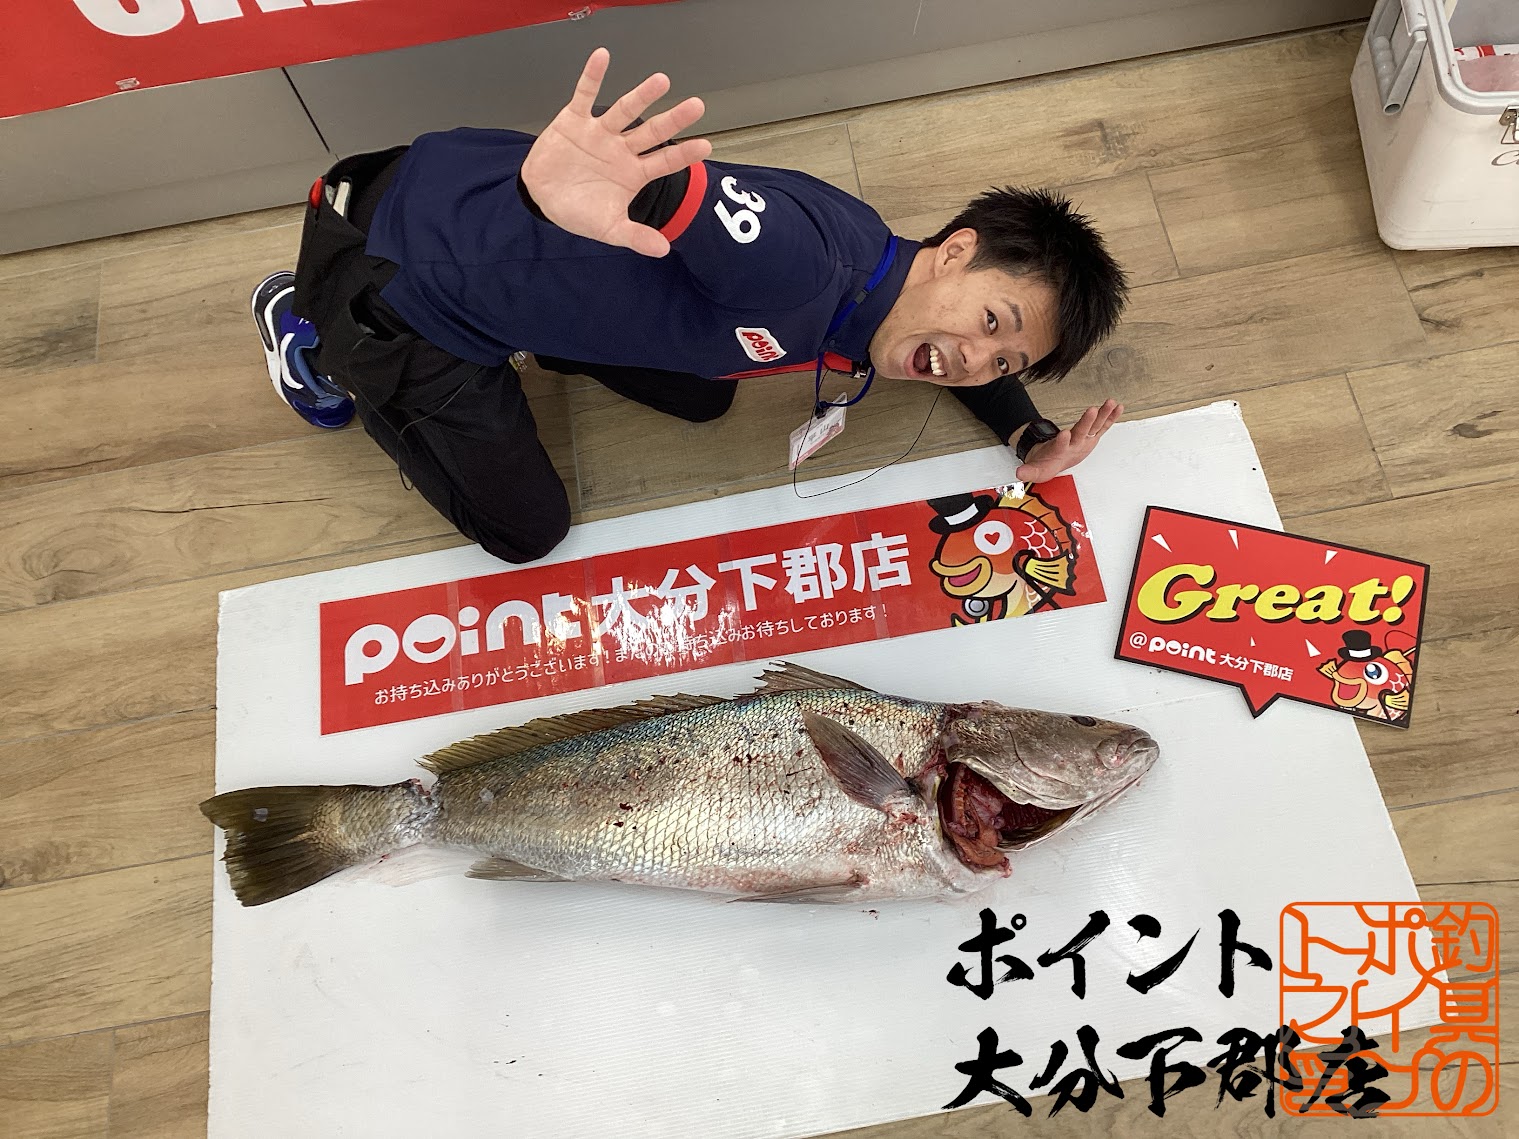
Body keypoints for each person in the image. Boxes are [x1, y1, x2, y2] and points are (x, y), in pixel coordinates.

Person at [251, 48, 1129, 565]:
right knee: (525, 533)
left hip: (470, 208)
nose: (977, 359)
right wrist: (600, 184)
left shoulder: (885, 271)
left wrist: (1025, 431)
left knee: (705, 395)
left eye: (1004, 358)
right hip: (400, 277)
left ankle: (543, 331)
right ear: (958, 250)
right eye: (992, 325)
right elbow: (687, 197)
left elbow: (954, 352)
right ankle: (313, 338)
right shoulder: (798, 265)